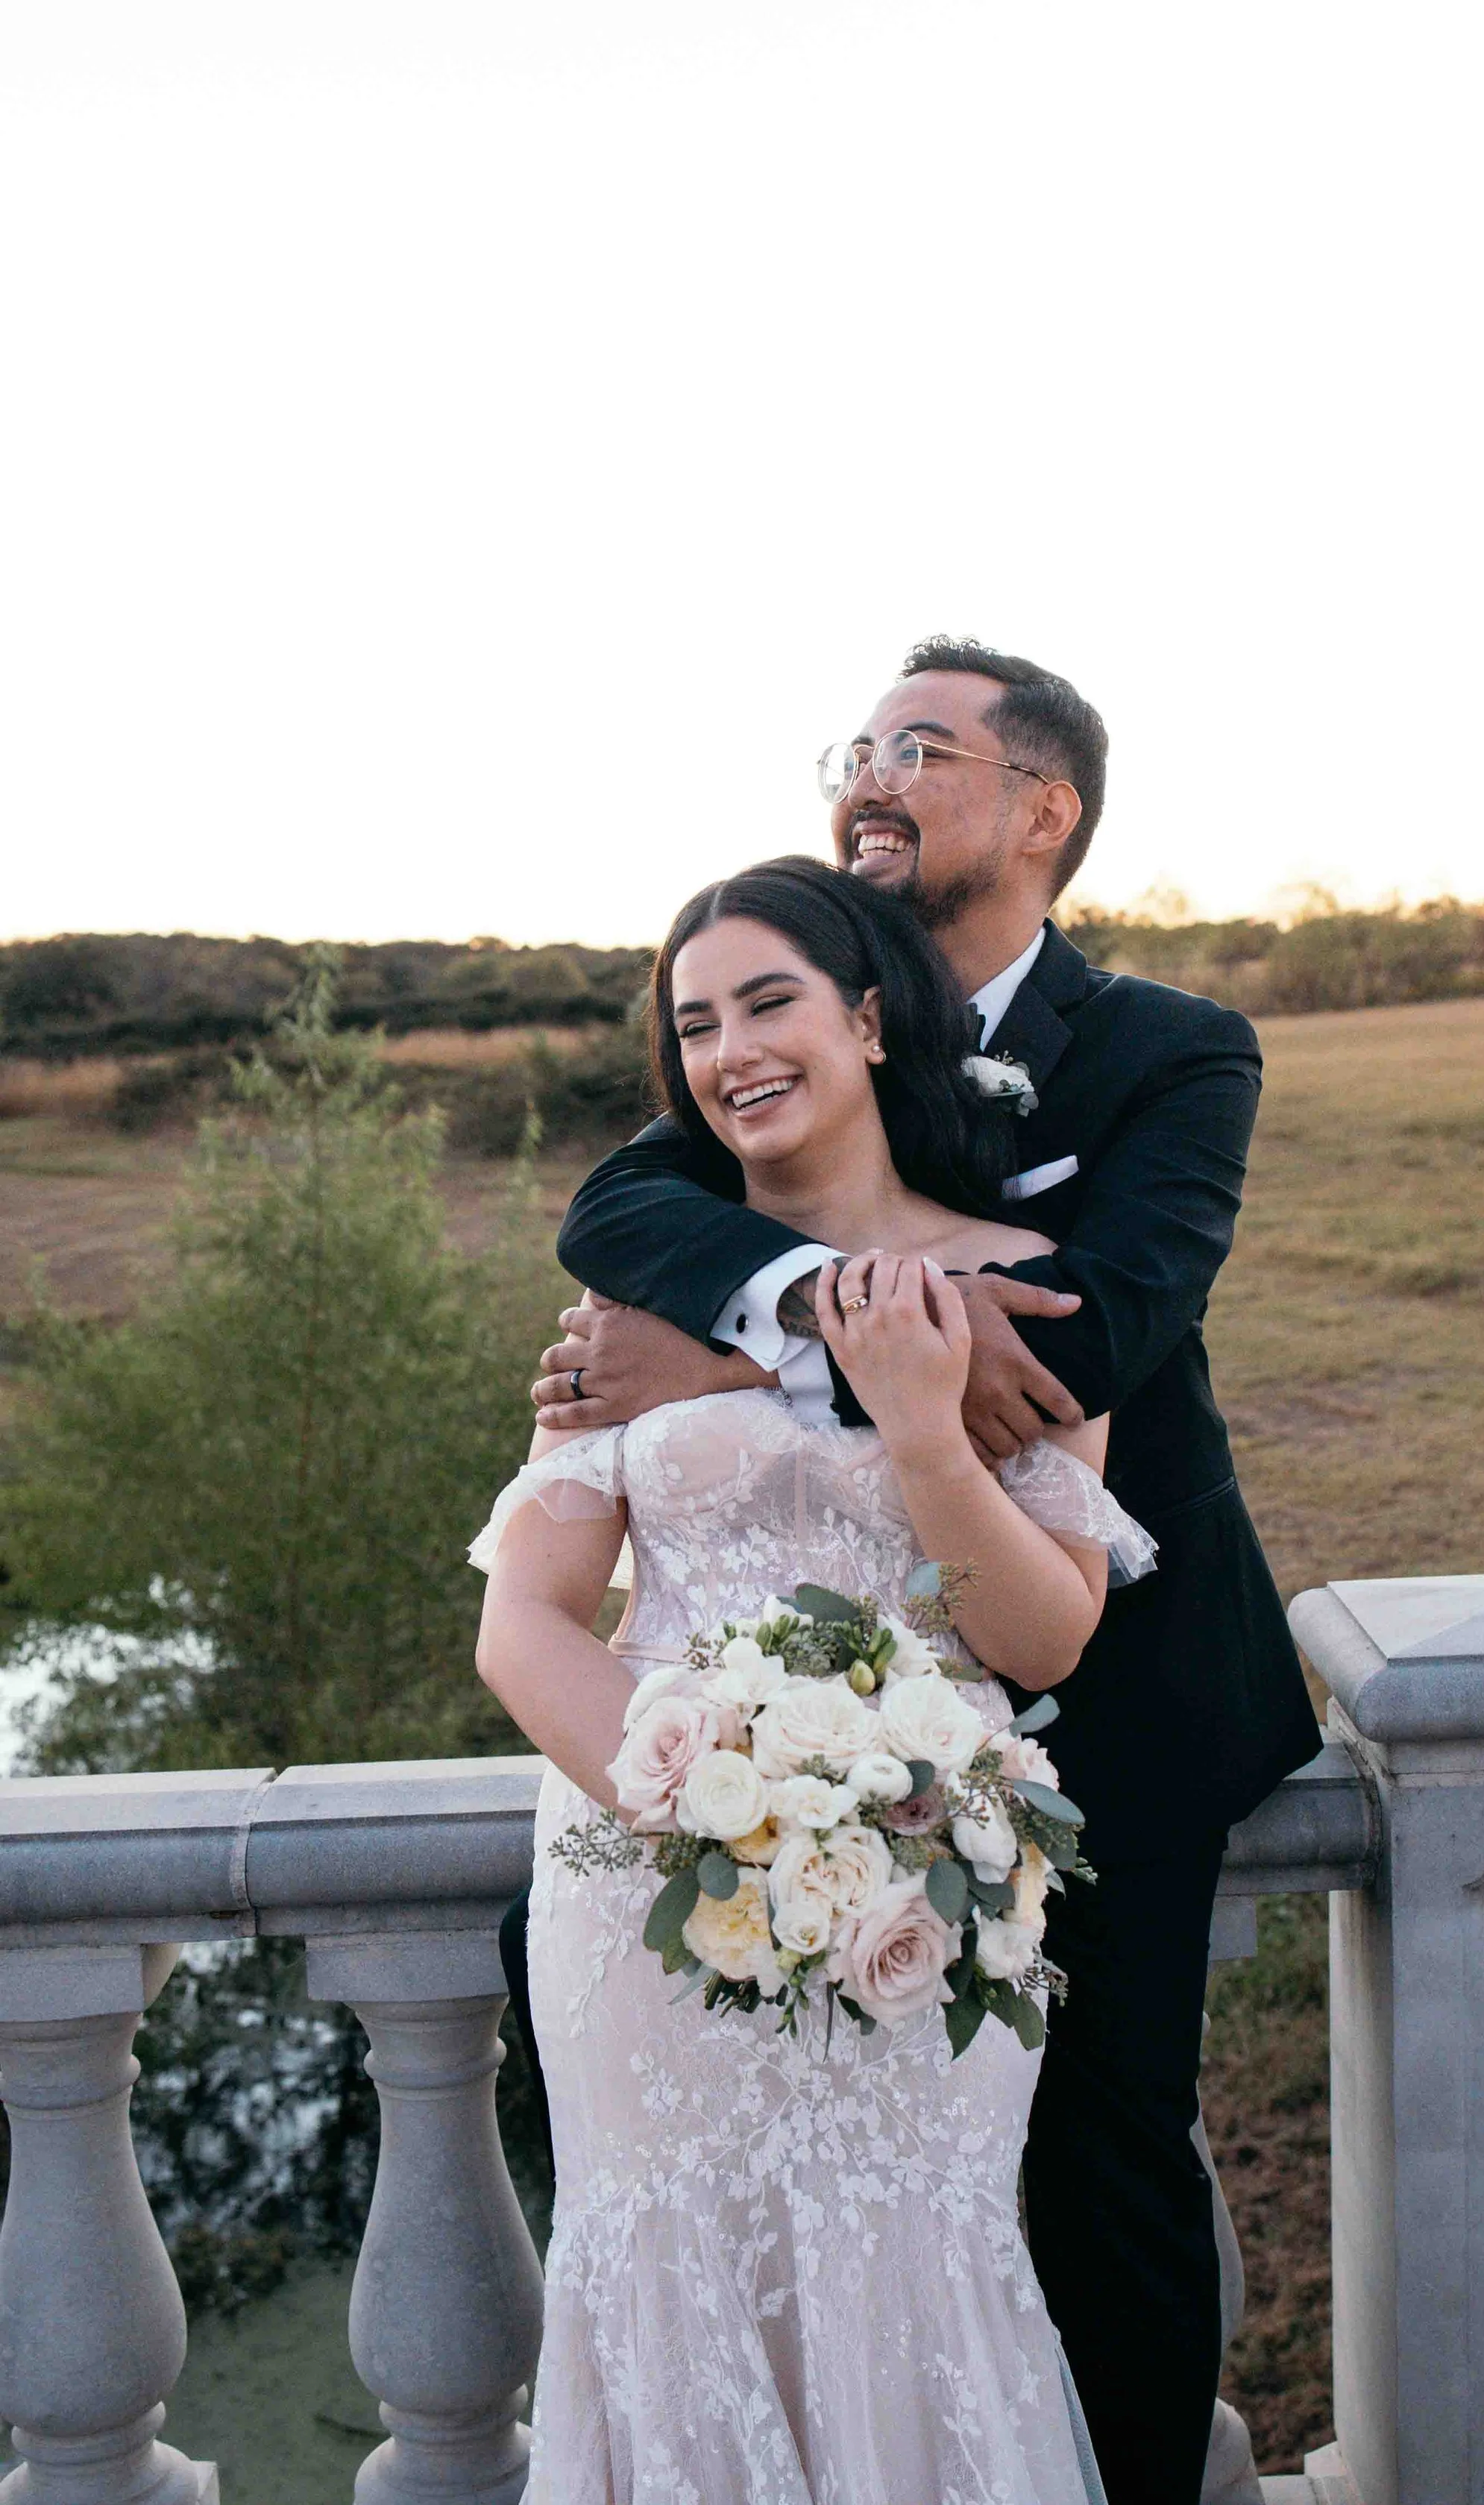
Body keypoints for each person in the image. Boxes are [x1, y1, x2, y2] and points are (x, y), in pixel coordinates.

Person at [529, 638, 1323, 2505]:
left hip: (1110, 1680)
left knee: (1101, 2145)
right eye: (855, 746)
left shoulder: (1168, 1048)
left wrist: (731, 1346)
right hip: (753, 1729)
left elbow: (1084, 1337)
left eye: (921, 748)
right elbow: (613, 1215)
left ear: (1042, 808)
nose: (866, 777)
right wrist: (802, 1296)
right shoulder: (769, 1026)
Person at [474, 858, 1150, 2500]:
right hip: (644, 1889)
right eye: (694, 1023)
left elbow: (1043, 1638)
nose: (729, 1050)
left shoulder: (1016, 1289)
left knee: (915, 2262)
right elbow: (525, 1621)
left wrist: (925, 1425)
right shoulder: (636, 1303)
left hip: (924, 1882)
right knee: (665, 2272)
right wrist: (689, 1803)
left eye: (767, 1000)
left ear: (861, 1015)